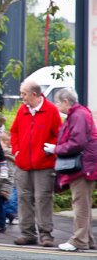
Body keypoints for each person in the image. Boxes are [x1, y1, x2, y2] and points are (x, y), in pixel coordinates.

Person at [44, 88, 97, 251]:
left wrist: (56, 149)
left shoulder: (78, 115)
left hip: (82, 166)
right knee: (83, 203)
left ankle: (78, 241)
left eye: (58, 102)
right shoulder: (79, 113)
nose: (56, 105)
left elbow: (77, 143)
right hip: (87, 165)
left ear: (66, 102)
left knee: (80, 204)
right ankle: (87, 239)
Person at [10, 80, 62, 247]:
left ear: (34, 94)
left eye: (23, 94)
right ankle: (27, 233)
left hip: (44, 164)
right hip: (23, 163)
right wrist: (16, 150)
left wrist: (50, 149)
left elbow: (59, 134)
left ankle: (46, 234)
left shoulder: (51, 111)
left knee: (42, 199)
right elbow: (14, 132)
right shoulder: (23, 110)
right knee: (24, 198)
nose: (21, 97)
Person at [0, 131, 15, 233]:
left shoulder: (7, 157)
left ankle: (0, 225)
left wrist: (5, 188)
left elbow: (9, 174)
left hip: (2, 187)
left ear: (6, 142)